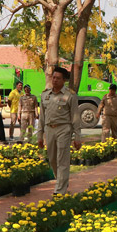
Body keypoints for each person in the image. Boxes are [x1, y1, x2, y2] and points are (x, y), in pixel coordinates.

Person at [38, 67, 82, 195]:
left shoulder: (70, 95)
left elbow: (75, 117)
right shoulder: (45, 95)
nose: (55, 80)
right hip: (49, 130)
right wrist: (40, 135)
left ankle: (59, 190)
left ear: (64, 80)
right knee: (52, 159)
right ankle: (62, 181)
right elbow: (41, 117)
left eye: (58, 78)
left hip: (64, 129)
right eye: (53, 77)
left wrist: (77, 137)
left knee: (62, 159)